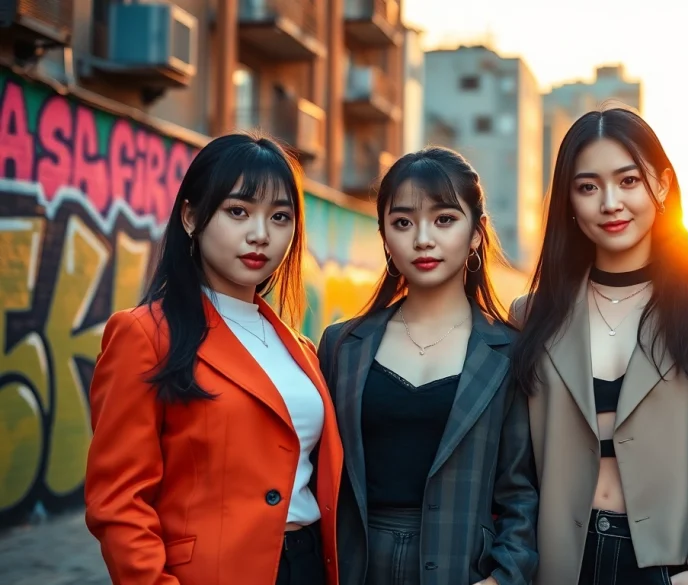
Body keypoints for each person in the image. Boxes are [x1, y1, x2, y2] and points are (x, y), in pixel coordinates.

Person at [510, 108, 688, 585]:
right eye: (587, 187)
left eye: (628, 181)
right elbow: (516, 466)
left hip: (669, 563)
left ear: (661, 186)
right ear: (569, 202)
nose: (610, 203)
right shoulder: (530, 316)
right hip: (559, 564)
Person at [85, 133, 343, 585]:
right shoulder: (145, 335)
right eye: (238, 211)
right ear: (191, 217)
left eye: (279, 217)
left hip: (306, 569)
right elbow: (118, 503)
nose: (260, 234)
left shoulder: (301, 349)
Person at [318, 147, 538, 585]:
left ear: (476, 232)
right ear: (383, 235)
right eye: (403, 223)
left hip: (461, 569)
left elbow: (521, 491)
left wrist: (503, 578)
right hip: (353, 567)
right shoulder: (341, 345)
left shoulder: (509, 352)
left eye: (444, 220)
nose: (422, 238)